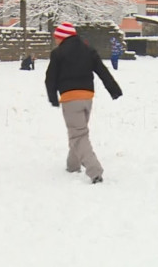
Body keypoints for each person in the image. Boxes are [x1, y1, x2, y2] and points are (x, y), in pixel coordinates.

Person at [45, 22, 122, 184]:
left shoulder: (58, 53)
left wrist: (52, 97)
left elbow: (50, 78)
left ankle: (95, 171)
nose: (56, 41)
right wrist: (113, 89)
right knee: (79, 132)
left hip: (70, 98)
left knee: (78, 134)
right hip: (87, 97)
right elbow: (102, 70)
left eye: (57, 38)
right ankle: (72, 165)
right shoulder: (88, 51)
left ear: (63, 37)